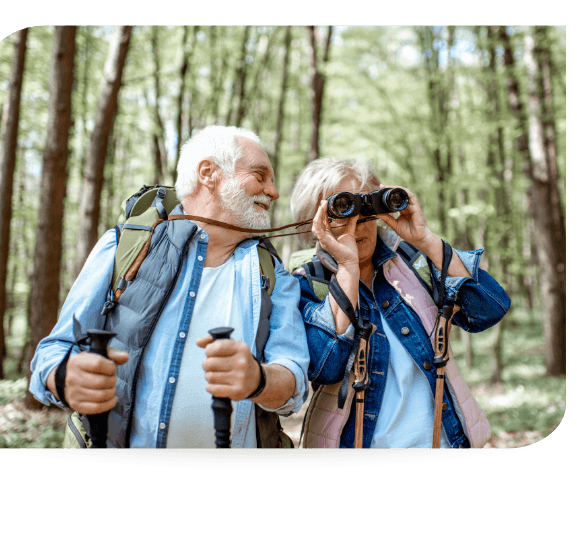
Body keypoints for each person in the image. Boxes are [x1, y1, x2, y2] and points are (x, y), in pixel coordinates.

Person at [29, 125, 309, 448]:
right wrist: (65, 379)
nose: (273, 192)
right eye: (260, 176)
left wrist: (258, 380)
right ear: (208, 173)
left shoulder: (273, 274)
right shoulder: (126, 245)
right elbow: (50, 354)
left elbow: (293, 381)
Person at [289, 157, 510, 449]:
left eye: (365, 209)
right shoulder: (308, 283)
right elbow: (324, 368)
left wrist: (425, 239)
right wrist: (347, 270)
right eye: (342, 210)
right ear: (313, 222)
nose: (357, 225)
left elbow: (489, 309)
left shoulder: (411, 261)